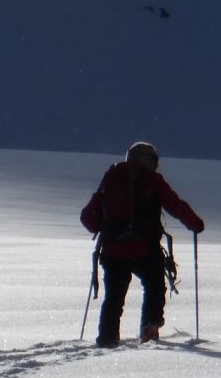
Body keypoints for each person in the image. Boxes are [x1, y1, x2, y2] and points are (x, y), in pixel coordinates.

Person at [80, 142, 204, 347]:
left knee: (114, 296)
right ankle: (149, 329)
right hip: (144, 248)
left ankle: (107, 338)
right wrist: (195, 224)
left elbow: (88, 217)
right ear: (148, 160)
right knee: (154, 285)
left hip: (112, 250)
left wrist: (105, 228)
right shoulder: (153, 180)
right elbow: (175, 205)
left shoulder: (110, 178)